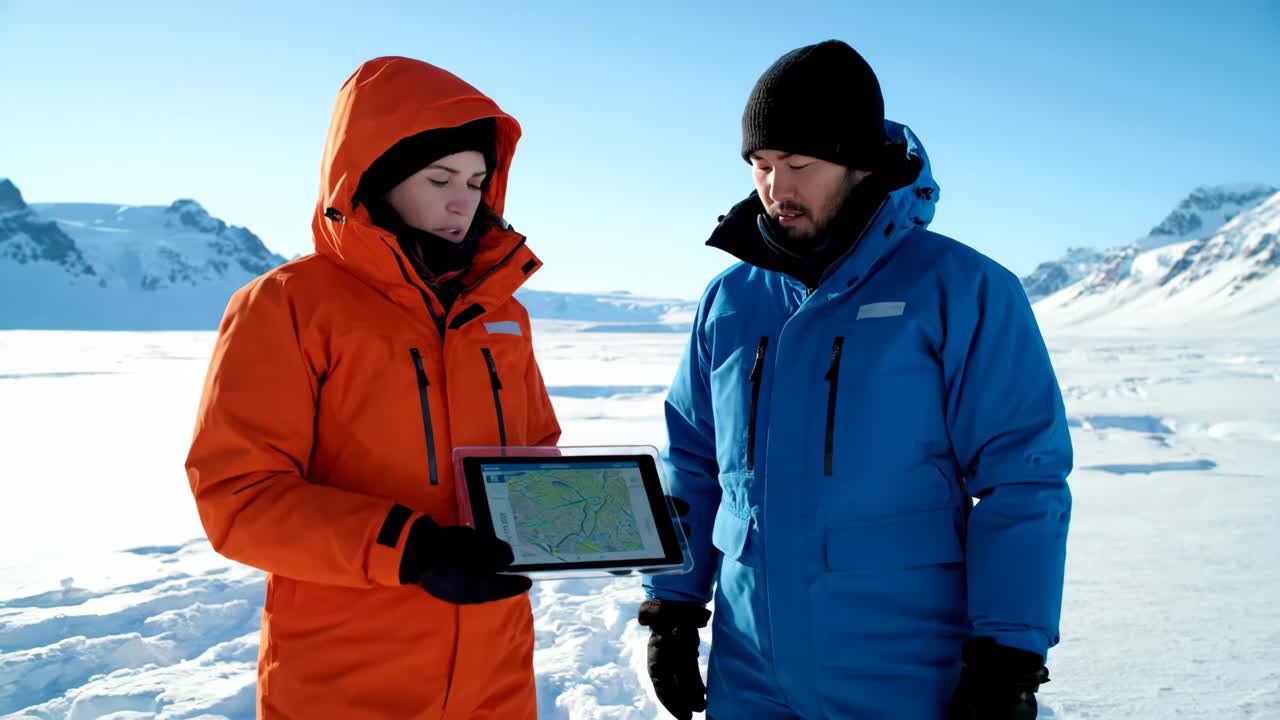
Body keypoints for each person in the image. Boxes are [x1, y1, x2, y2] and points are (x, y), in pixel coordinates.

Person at [638, 40, 1072, 720]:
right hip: (749, 671)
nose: (776, 188)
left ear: (859, 164)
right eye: (762, 165)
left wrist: (1009, 655)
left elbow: (1022, 477)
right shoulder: (731, 299)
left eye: (800, 165)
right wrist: (672, 606)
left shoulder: (960, 289)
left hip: (902, 672)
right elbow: (691, 462)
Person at [185, 56, 560, 719]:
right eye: (438, 178)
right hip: (348, 676)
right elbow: (238, 497)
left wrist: (605, 522)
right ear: (374, 180)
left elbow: (534, 459)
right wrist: (410, 549)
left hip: (494, 673)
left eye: (476, 181)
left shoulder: (500, 313)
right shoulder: (288, 305)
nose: (461, 202)